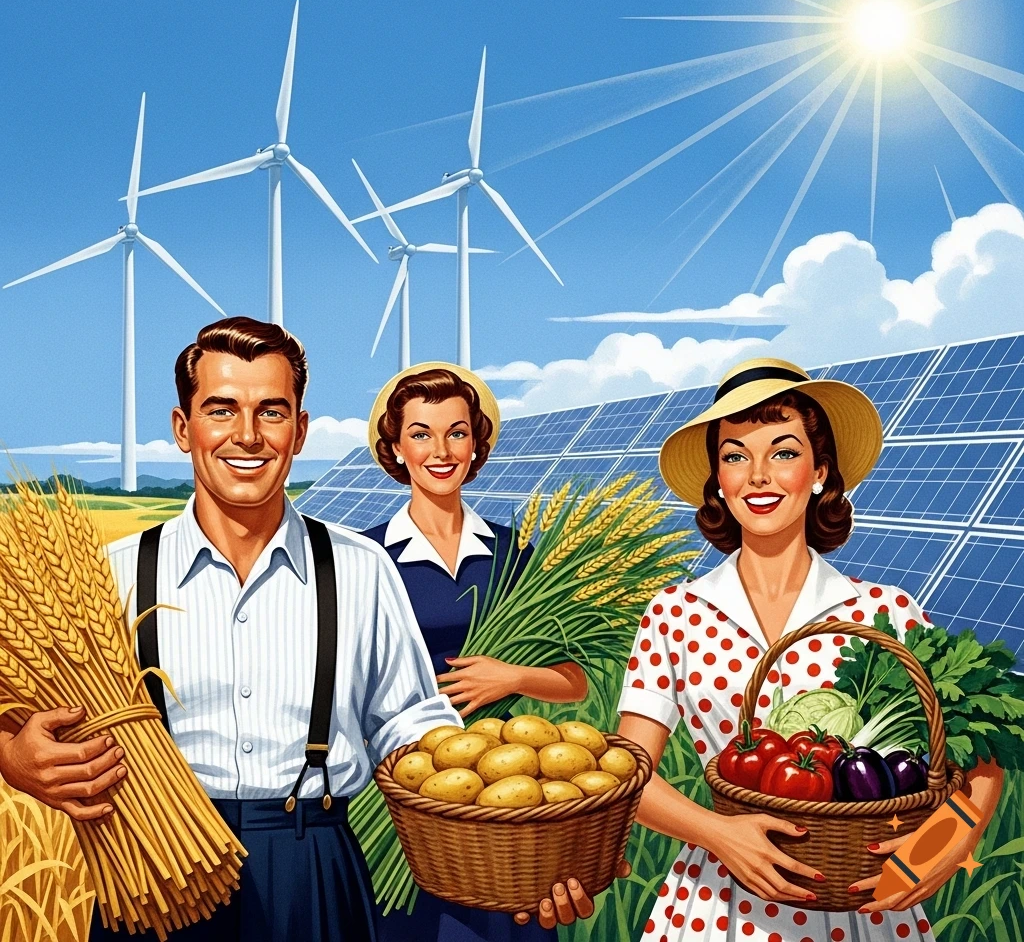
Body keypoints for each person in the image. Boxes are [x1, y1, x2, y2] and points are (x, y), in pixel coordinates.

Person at [0, 316, 463, 942]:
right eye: (221, 410)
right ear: (181, 428)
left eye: (271, 412)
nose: (247, 436)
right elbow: (24, 699)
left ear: (299, 432)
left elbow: (413, 727)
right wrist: (12, 757)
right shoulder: (106, 576)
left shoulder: (361, 568)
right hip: (150, 865)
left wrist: (507, 832)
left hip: (313, 864)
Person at [614, 357, 1005, 942]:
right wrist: (717, 833)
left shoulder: (886, 613)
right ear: (718, 481)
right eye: (736, 456)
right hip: (719, 907)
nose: (758, 476)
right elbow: (629, 769)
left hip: (867, 908)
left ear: (821, 470)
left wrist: (946, 844)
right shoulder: (676, 612)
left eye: (784, 452)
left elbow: (979, 756)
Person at [362, 362, 591, 942]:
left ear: (475, 443)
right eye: (420, 433)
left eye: (456, 432)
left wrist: (509, 678)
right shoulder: (365, 559)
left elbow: (575, 681)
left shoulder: (513, 552)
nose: (440, 450)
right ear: (396, 446)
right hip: (401, 800)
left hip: (508, 800)